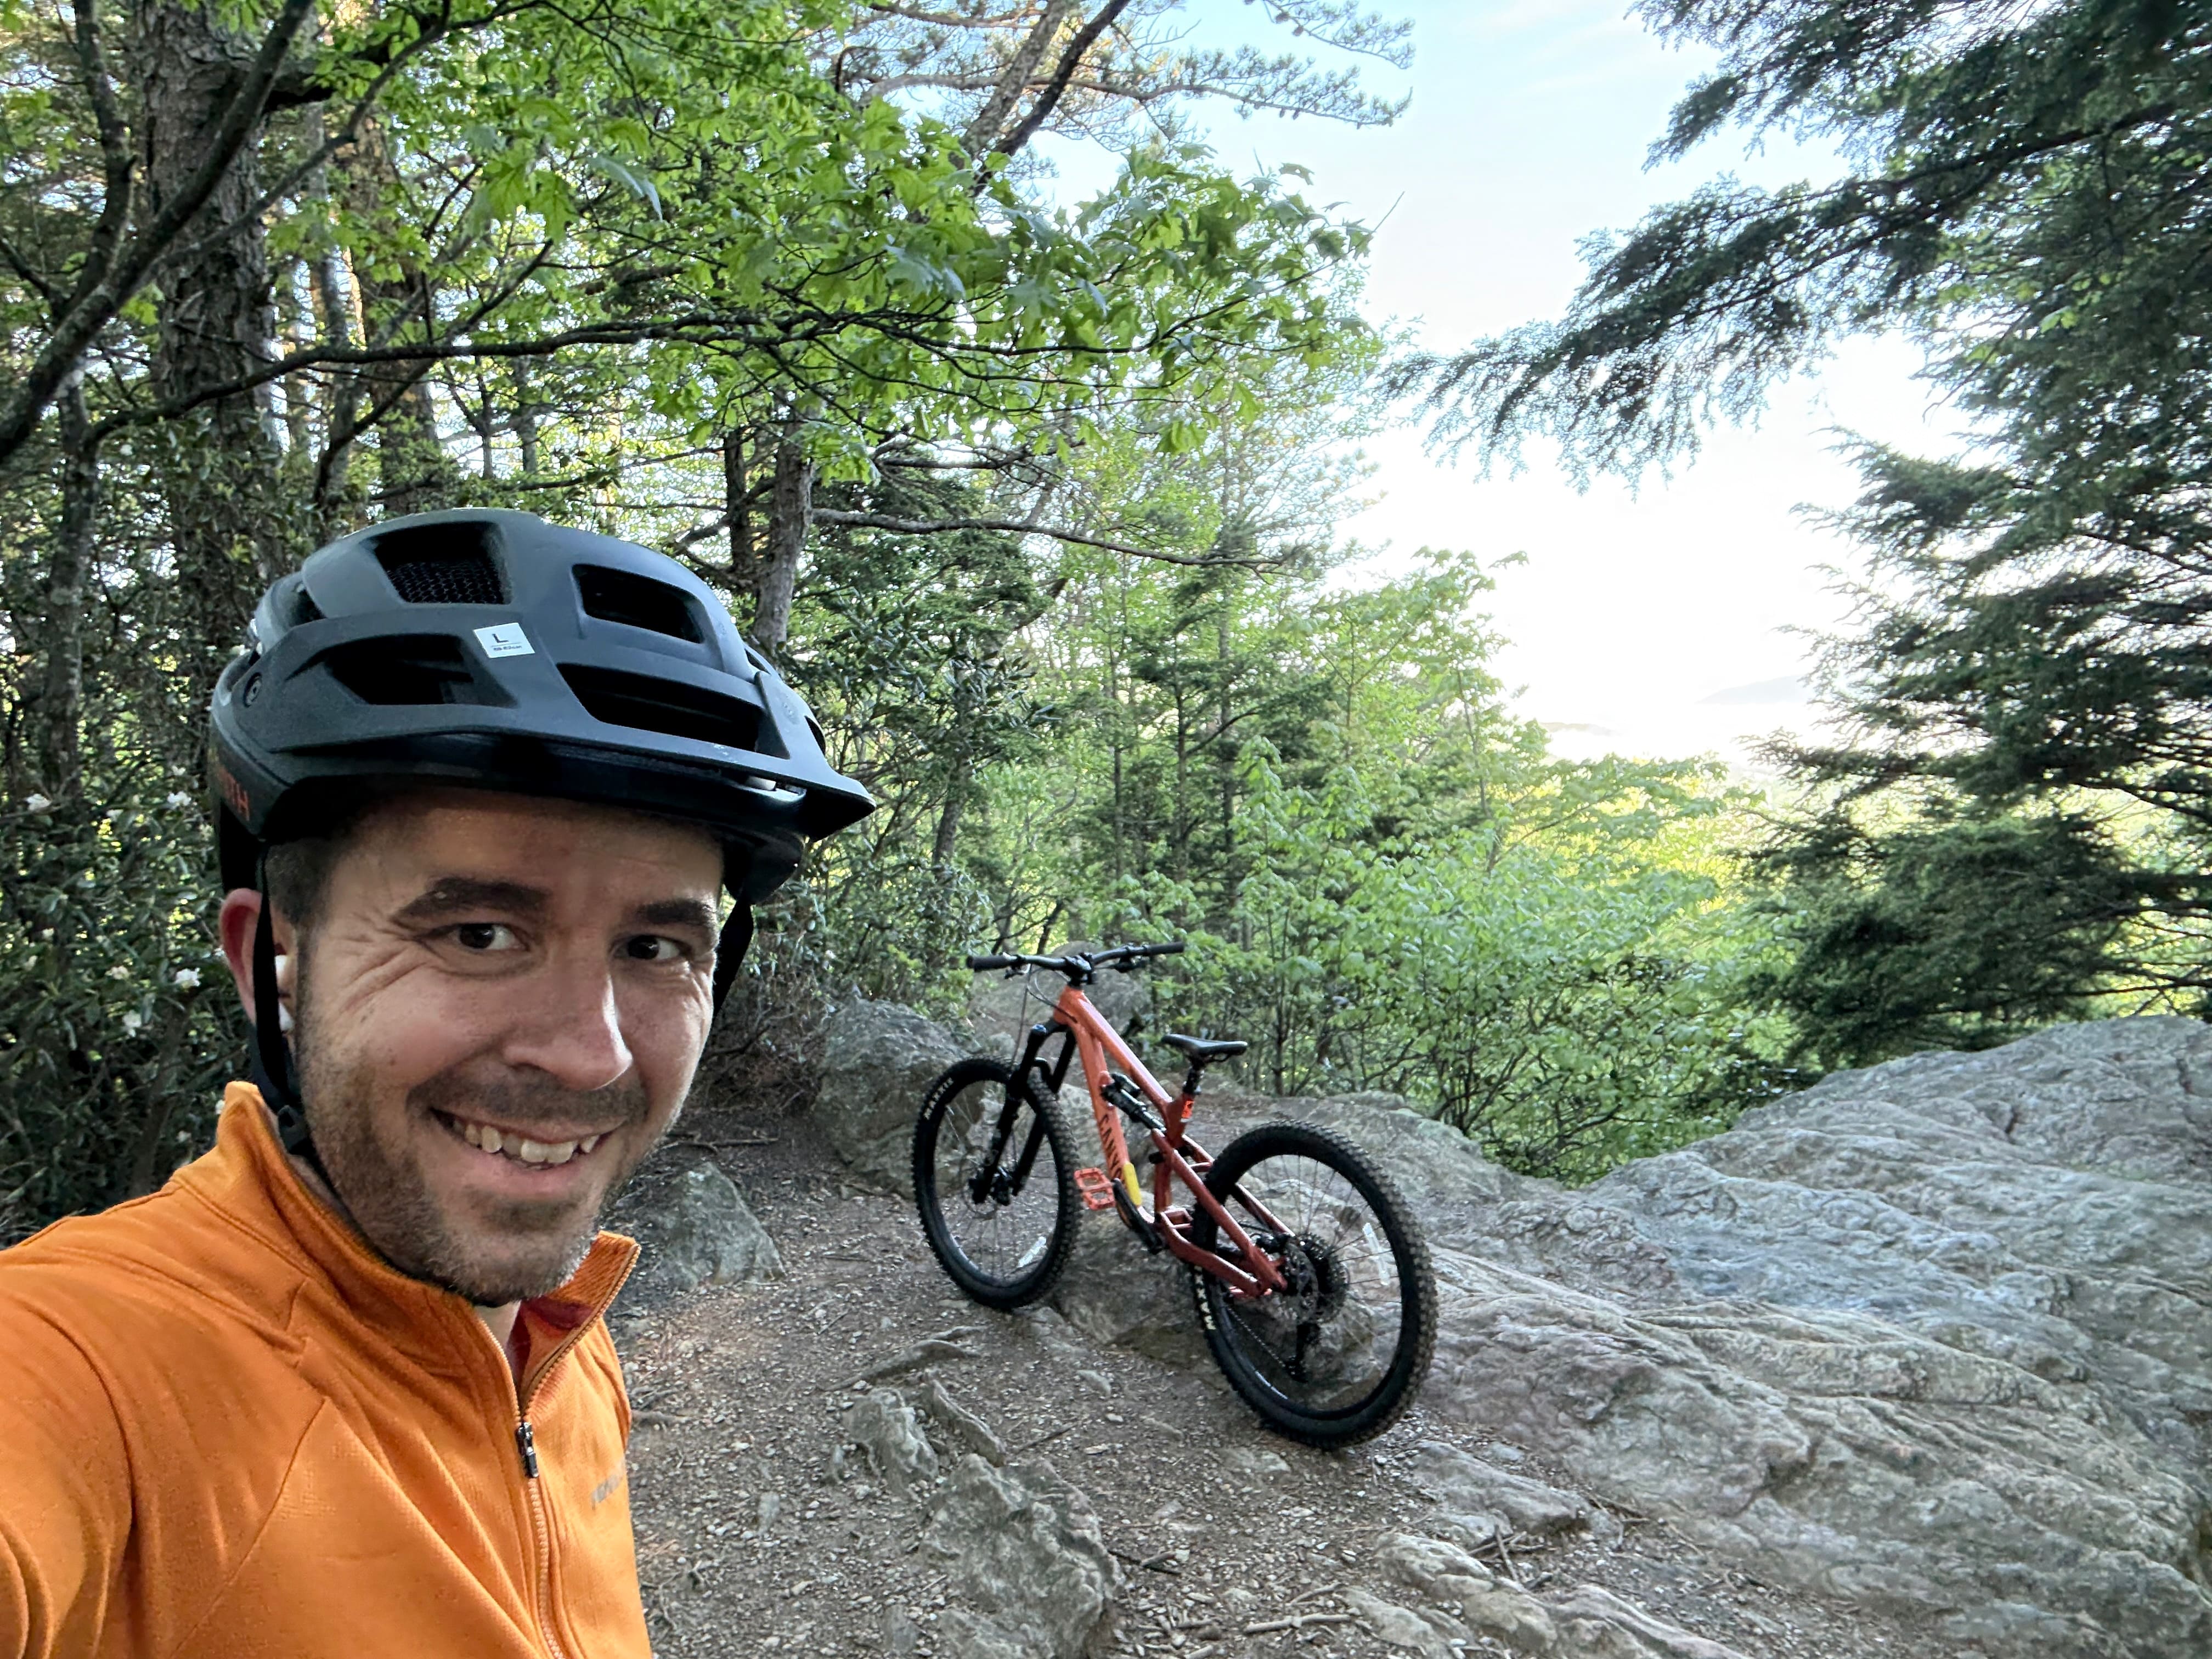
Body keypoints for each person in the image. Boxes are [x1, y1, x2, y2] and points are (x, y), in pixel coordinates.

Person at [0, 510, 872, 1658]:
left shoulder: (561, 1335)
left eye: (657, 949)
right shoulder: (92, 1370)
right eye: (476, 933)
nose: (593, 1054)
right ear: (272, 961)